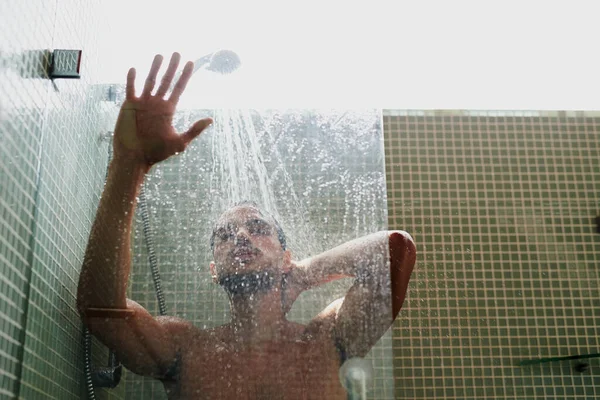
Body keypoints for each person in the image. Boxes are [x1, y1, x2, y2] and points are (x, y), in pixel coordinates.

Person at [76, 52, 416, 399]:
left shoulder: (329, 338)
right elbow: (101, 309)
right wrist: (129, 164)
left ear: (286, 257)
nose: (240, 234)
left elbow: (393, 251)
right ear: (214, 270)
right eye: (225, 235)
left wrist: (301, 273)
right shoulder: (184, 347)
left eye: (258, 228)